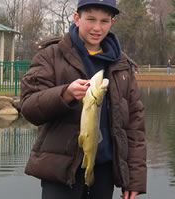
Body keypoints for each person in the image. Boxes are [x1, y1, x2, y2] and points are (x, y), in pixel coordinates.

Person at [20, 0, 147, 199]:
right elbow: (28, 107)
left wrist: (134, 178)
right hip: (59, 172)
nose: (97, 27)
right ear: (77, 18)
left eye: (104, 21)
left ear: (112, 22)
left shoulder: (122, 64)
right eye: (91, 19)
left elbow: (135, 125)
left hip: (104, 173)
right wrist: (65, 94)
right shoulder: (50, 55)